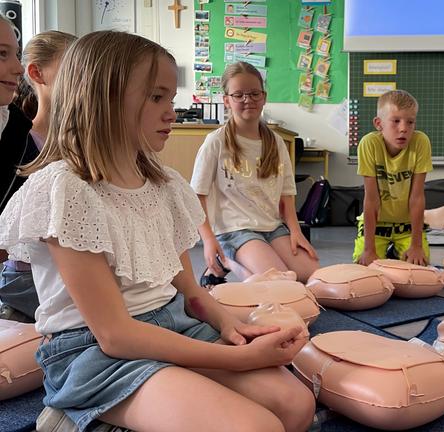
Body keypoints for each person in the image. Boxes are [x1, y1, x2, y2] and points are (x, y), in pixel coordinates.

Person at [0, 31, 314, 432]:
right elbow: (114, 334)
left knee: (296, 405)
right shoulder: (66, 188)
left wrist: (229, 323)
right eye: (156, 97)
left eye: (170, 97)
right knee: (255, 426)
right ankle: (76, 415)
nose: (172, 111)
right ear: (104, 98)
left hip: (171, 322)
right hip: (96, 352)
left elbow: (189, 288)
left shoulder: (163, 183)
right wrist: (241, 359)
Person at [191, 61, 318, 285]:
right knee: (282, 283)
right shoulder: (216, 142)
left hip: (272, 227)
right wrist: (209, 240)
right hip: (235, 231)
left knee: (315, 277)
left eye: (254, 93)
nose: (247, 99)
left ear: (264, 96)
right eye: (238, 95)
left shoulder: (276, 142)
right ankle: (225, 265)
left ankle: (242, 268)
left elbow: (287, 194)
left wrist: (295, 232)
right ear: (227, 100)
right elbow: (197, 196)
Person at [0, 30, 76, 323]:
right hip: (28, 275)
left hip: (64, 269)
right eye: (73, 70)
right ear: (37, 74)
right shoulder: (19, 137)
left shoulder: (79, 143)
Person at [353, 89, 433, 266]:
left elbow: (417, 197)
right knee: (367, 271)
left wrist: (416, 245)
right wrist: (369, 249)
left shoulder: (421, 142)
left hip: (407, 225)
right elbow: (371, 199)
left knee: (418, 269)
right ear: (378, 123)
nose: (403, 128)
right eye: (395, 121)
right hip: (377, 224)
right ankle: (386, 251)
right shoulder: (369, 144)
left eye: (410, 122)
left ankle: (395, 251)